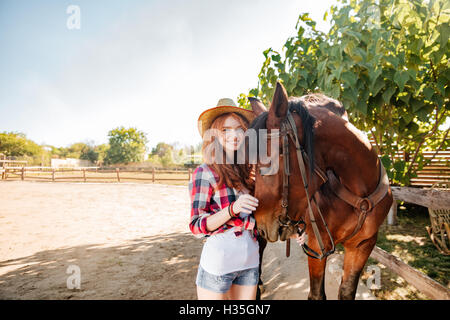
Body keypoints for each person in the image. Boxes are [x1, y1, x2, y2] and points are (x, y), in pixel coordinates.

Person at [188, 98, 305, 300]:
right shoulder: (205, 172)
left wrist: (292, 233)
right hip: (219, 263)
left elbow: (260, 220)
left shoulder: (251, 173)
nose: (234, 135)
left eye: (240, 129)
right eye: (225, 130)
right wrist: (232, 209)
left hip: (250, 262)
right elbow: (197, 227)